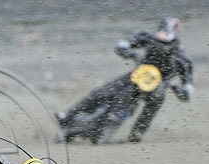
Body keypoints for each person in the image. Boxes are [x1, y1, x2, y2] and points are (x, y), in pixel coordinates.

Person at [57, 17, 194, 143]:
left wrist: (180, 90)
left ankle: (137, 133)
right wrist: (127, 50)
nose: (162, 45)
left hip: (158, 86)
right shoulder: (147, 37)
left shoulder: (182, 60)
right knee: (103, 92)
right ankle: (69, 116)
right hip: (136, 76)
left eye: (166, 42)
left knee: (154, 104)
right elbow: (124, 44)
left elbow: (188, 91)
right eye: (160, 37)